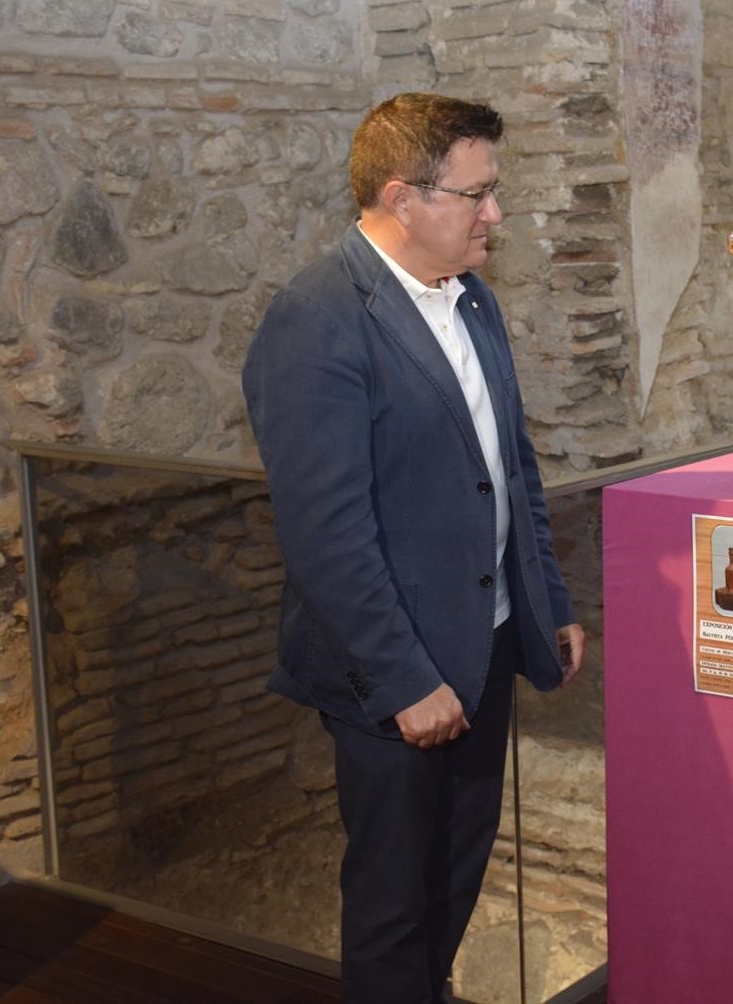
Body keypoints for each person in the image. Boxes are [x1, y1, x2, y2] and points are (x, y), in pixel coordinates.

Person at [242, 93, 586, 1004]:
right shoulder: (316, 318)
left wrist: (548, 601)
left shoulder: (474, 300)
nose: (495, 214)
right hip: (396, 675)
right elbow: (327, 536)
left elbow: (511, 468)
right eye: (477, 195)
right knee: (394, 909)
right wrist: (404, 681)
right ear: (404, 198)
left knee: (454, 881)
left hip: (487, 644)